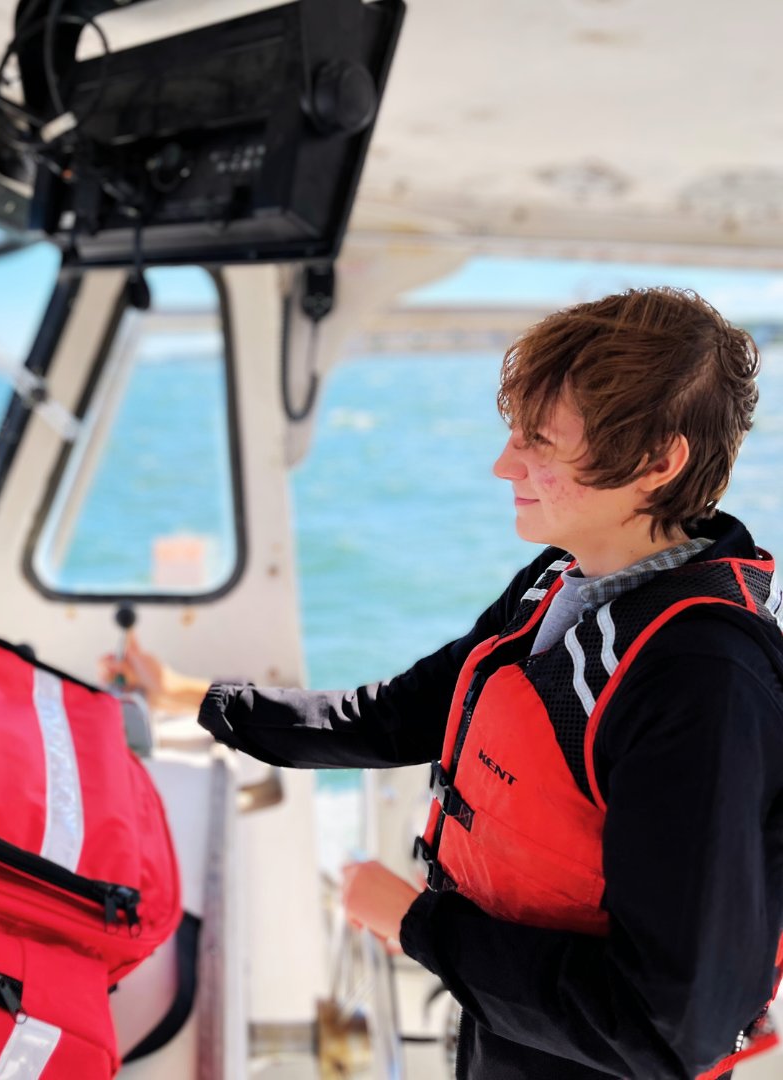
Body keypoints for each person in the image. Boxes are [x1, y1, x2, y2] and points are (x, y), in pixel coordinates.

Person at [102, 287, 783, 1080]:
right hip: (506, 1031)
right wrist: (199, 698)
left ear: (658, 463)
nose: (503, 466)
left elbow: (669, 1028)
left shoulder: (702, 683)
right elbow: (399, 715)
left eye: (539, 444)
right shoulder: (560, 582)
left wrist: (419, 927)